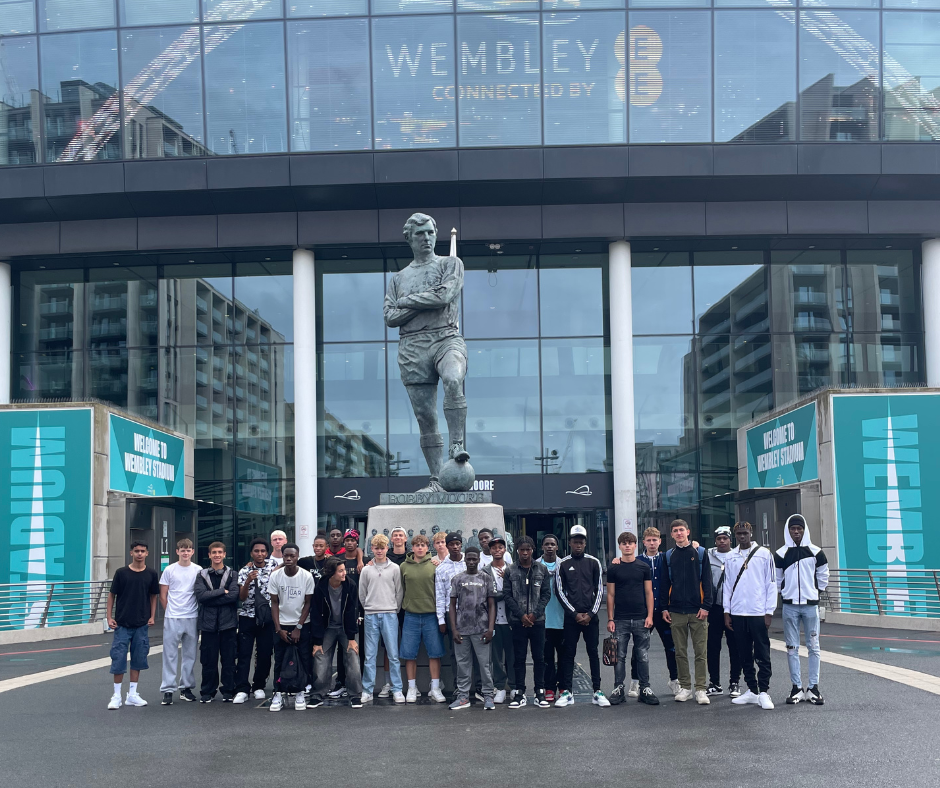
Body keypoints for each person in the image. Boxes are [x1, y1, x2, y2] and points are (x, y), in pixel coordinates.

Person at [384, 212, 470, 494]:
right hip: (412, 345)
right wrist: (422, 302)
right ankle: (437, 480)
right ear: (409, 238)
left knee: (454, 378)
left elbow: (445, 296)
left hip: (446, 337)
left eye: (430, 232)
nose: (426, 238)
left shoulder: (451, 263)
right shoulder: (398, 278)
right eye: (419, 233)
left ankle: (457, 444)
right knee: (425, 417)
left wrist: (407, 303)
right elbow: (390, 316)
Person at [775, 513, 829, 706]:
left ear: (804, 530)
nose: (796, 531)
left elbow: (823, 576)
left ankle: (813, 688)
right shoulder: (781, 554)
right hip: (789, 606)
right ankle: (796, 687)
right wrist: (784, 594)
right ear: (788, 530)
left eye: (799, 528)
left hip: (810, 606)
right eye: (793, 528)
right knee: (792, 648)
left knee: (814, 647)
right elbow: (777, 579)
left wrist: (815, 592)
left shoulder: (816, 552)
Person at [724, 522, 777, 711]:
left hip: (757, 612)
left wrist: (769, 611)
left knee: (762, 652)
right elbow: (727, 586)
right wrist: (726, 611)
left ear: (751, 533)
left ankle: (764, 690)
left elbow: (771, 583)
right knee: (743, 652)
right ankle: (752, 690)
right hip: (738, 612)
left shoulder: (764, 554)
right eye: (738, 534)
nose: (741, 537)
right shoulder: (731, 556)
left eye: (744, 533)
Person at [660, 519, 713, 705]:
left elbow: (707, 580)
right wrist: (664, 608)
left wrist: (706, 606)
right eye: (675, 531)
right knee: (680, 652)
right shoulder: (668, 556)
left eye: (681, 530)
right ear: (672, 535)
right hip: (676, 611)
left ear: (688, 532)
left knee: (701, 652)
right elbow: (664, 583)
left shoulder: (699, 553)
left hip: (698, 610)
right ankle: (685, 687)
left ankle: (700, 689)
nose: (679, 533)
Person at [555, 525, 609, 708]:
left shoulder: (594, 562)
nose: (578, 545)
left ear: (585, 543)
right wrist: (574, 613)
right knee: (568, 654)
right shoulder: (562, 564)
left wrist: (591, 613)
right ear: (570, 543)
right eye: (575, 541)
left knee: (593, 653)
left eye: (581, 542)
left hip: (591, 618)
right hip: (571, 619)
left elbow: (600, 589)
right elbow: (560, 592)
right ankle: (567, 692)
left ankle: (597, 691)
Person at [606, 531, 659, 707]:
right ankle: (618, 688)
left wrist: (650, 615)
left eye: (630, 543)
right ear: (619, 546)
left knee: (642, 655)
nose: (627, 546)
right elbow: (611, 594)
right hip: (620, 619)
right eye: (624, 543)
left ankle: (645, 688)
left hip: (640, 618)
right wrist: (610, 619)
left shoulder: (643, 567)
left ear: (636, 545)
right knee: (619, 656)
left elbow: (649, 592)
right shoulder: (613, 568)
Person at [106, 541, 160, 709]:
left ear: (147, 553)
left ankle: (132, 694)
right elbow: (111, 595)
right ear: (131, 553)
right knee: (119, 658)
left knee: (138, 659)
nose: (139, 554)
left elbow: (153, 596)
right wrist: (109, 617)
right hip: (122, 623)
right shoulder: (121, 573)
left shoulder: (151, 574)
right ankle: (116, 695)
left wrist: (152, 616)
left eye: (142, 551)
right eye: (136, 551)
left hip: (141, 624)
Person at [504, 536, 551, 708]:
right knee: (519, 658)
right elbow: (507, 595)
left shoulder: (542, 569)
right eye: (522, 549)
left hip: (537, 622)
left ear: (533, 550)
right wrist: (521, 615)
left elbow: (546, 594)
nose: (525, 553)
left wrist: (534, 614)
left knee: (539, 658)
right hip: (518, 622)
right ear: (517, 550)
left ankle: (540, 691)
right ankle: (520, 692)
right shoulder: (510, 570)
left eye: (528, 549)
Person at [399, 534, 448, 703]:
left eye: (423, 545)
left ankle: (435, 687)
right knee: (409, 654)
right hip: (411, 615)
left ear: (428, 548)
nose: (420, 548)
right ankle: (412, 688)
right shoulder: (403, 566)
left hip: (431, 615)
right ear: (412, 548)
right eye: (417, 545)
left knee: (435, 653)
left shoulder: (435, 565)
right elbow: (401, 589)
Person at [310, 558, 364, 708]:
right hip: (327, 628)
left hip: (346, 628)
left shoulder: (350, 585)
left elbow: (352, 612)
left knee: (352, 657)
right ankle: (318, 694)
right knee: (320, 657)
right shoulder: (321, 586)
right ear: (331, 573)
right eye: (340, 571)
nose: (344, 573)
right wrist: (317, 641)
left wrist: (352, 638)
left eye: (344, 570)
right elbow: (316, 614)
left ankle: (355, 695)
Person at [359, 533, 405, 705]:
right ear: (372, 548)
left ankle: (397, 689)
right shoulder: (366, 569)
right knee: (370, 655)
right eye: (376, 548)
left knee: (393, 654)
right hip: (371, 614)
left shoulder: (394, 568)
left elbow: (399, 592)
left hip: (390, 614)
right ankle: (367, 690)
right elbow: (362, 593)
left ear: (387, 548)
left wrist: (393, 608)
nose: (379, 551)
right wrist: (369, 607)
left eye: (382, 547)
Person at [448, 546, 496, 710]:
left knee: (484, 664)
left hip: (481, 629)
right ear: (465, 559)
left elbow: (492, 605)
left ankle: (488, 695)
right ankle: (463, 697)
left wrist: (490, 629)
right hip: (462, 630)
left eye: (474, 558)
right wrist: (454, 629)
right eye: (468, 558)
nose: (471, 561)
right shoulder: (457, 579)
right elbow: (452, 605)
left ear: (479, 560)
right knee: (463, 664)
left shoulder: (486, 578)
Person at [268, 543, 315, 712]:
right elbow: (274, 603)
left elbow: (308, 603)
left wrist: (299, 627)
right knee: (279, 659)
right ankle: (278, 692)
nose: (288, 559)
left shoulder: (306, 576)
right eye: (286, 556)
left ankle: (300, 692)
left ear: (297, 557)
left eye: (292, 556)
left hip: (302, 624)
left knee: (303, 659)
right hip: (281, 623)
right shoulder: (275, 576)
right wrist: (278, 628)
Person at [634, 527, 680, 697]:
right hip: (644, 612)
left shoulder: (667, 558)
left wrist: (696, 545)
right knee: (639, 648)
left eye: (655, 540)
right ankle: (635, 682)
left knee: (671, 647)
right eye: (649, 540)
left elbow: (685, 549)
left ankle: (674, 680)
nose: (652, 543)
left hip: (663, 611)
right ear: (643, 542)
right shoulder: (636, 560)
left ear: (660, 541)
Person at [193, 541, 240, 703]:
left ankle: (228, 690)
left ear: (224, 554)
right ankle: (207, 692)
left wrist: (211, 596)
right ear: (209, 555)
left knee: (229, 659)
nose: (217, 555)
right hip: (208, 624)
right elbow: (201, 597)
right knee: (208, 660)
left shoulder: (233, 574)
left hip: (228, 623)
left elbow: (233, 596)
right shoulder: (201, 574)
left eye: (220, 552)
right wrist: (221, 592)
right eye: (214, 552)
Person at [233, 538, 278, 704]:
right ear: (251, 553)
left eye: (263, 551)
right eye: (256, 551)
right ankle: (242, 688)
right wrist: (247, 581)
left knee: (265, 653)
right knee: (244, 653)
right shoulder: (245, 570)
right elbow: (242, 597)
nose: (260, 554)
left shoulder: (274, 567)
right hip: (247, 616)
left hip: (267, 617)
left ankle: (259, 685)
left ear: (267, 552)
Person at [158, 538, 200, 705]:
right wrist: (170, 610)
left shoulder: (198, 570)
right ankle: (168, 689)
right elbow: (163, 595)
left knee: (190, 654)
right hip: (173, 617)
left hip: (192, 616)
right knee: (169, 654)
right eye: (182, 550)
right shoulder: (169, 570)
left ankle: (186, 688)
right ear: (177, 552)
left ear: (192, 552)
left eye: (188, 549)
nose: (185, 552)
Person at [707, 526, 741, 697]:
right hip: (714, 607)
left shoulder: (737, 556)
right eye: (719, 538)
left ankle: (735, 682)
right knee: (712, 646)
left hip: (734, 607)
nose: (722, 541)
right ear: (715, 540)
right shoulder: (707, 556)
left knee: (734, 646)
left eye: (725, 538)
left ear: (730, 540)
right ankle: (714, 682)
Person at [481, 533, 514, 702]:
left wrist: (506, 582)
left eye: (500, 547)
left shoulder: (512, 568)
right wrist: (501, 594)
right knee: (496, 656)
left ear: (504, 549)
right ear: (490, 550)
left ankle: (514, 686)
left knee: (512, 655)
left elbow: (516, 593)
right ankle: (500, 686)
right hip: (492, 621)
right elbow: (486, 596)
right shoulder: (484, 571)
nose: (497, 550)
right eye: (494, 547)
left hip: (511, 619)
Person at [435, 531, 467, 694]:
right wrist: (441, 619)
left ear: (461, 545)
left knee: (475, 651)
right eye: (451, 544)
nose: (455, 547)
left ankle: (477, 686)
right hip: (451, 614)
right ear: (447, 547)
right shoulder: (441, 569)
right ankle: (458, 686)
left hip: (471, 613)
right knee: (456, 653)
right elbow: (440, 595)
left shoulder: (469, 563)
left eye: (457, 544)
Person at [538, 534, 565, 702]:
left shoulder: (564, 565)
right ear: (542, 547)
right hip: (543, 619)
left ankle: (563, 687)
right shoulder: (535, 566)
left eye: (552, 544)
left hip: (562, 618)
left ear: (557, 547)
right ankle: (549, 688)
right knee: (546, 658)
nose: (549, 547)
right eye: (546, 544)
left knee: (563, 656)